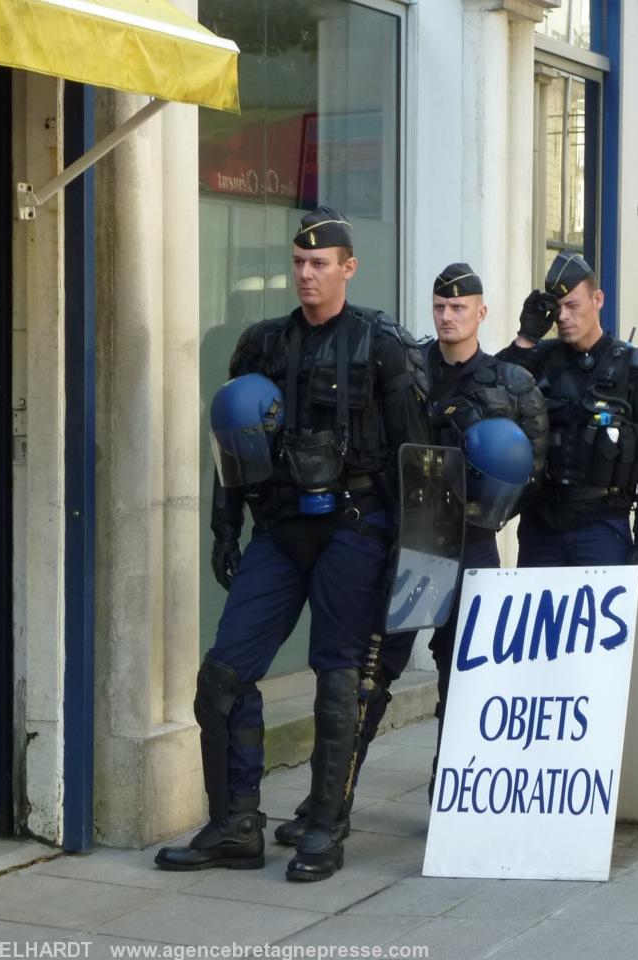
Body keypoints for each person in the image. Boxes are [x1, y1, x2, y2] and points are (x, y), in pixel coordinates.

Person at [154, 207, 431, 882]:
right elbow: (230, 441)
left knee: (339, 677)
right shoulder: (262, 345)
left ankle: (325, 827)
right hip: (279, 529)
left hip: (353, 528)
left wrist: (411, 555)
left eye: (320, 264)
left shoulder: (382, 346)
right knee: (223, 674)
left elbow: (417, 457)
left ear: (348, 268)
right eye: (299, 264)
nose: (306, 275)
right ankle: (235, 826)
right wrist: (226, 526)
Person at [272, 262, 548, 843]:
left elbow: (530, 470)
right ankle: (331, 802)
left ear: (481, 312)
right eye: (440, 307)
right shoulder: (405, 365)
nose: (448, 317)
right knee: (371, 673)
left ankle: (456, 798)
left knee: (466, 676)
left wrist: (491, 510)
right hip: (409, 542)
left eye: (459, 308)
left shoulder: (510, 384)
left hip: (471, 543)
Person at [498, 252, 638, 580]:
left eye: (573, 305)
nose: (563, 316)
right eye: (557, 308)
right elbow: (493, 398)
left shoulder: (636, 369)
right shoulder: (538, 361)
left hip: (602, 526)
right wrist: (525, 340)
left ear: (598, 299)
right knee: (541, 629)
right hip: (541, 526)